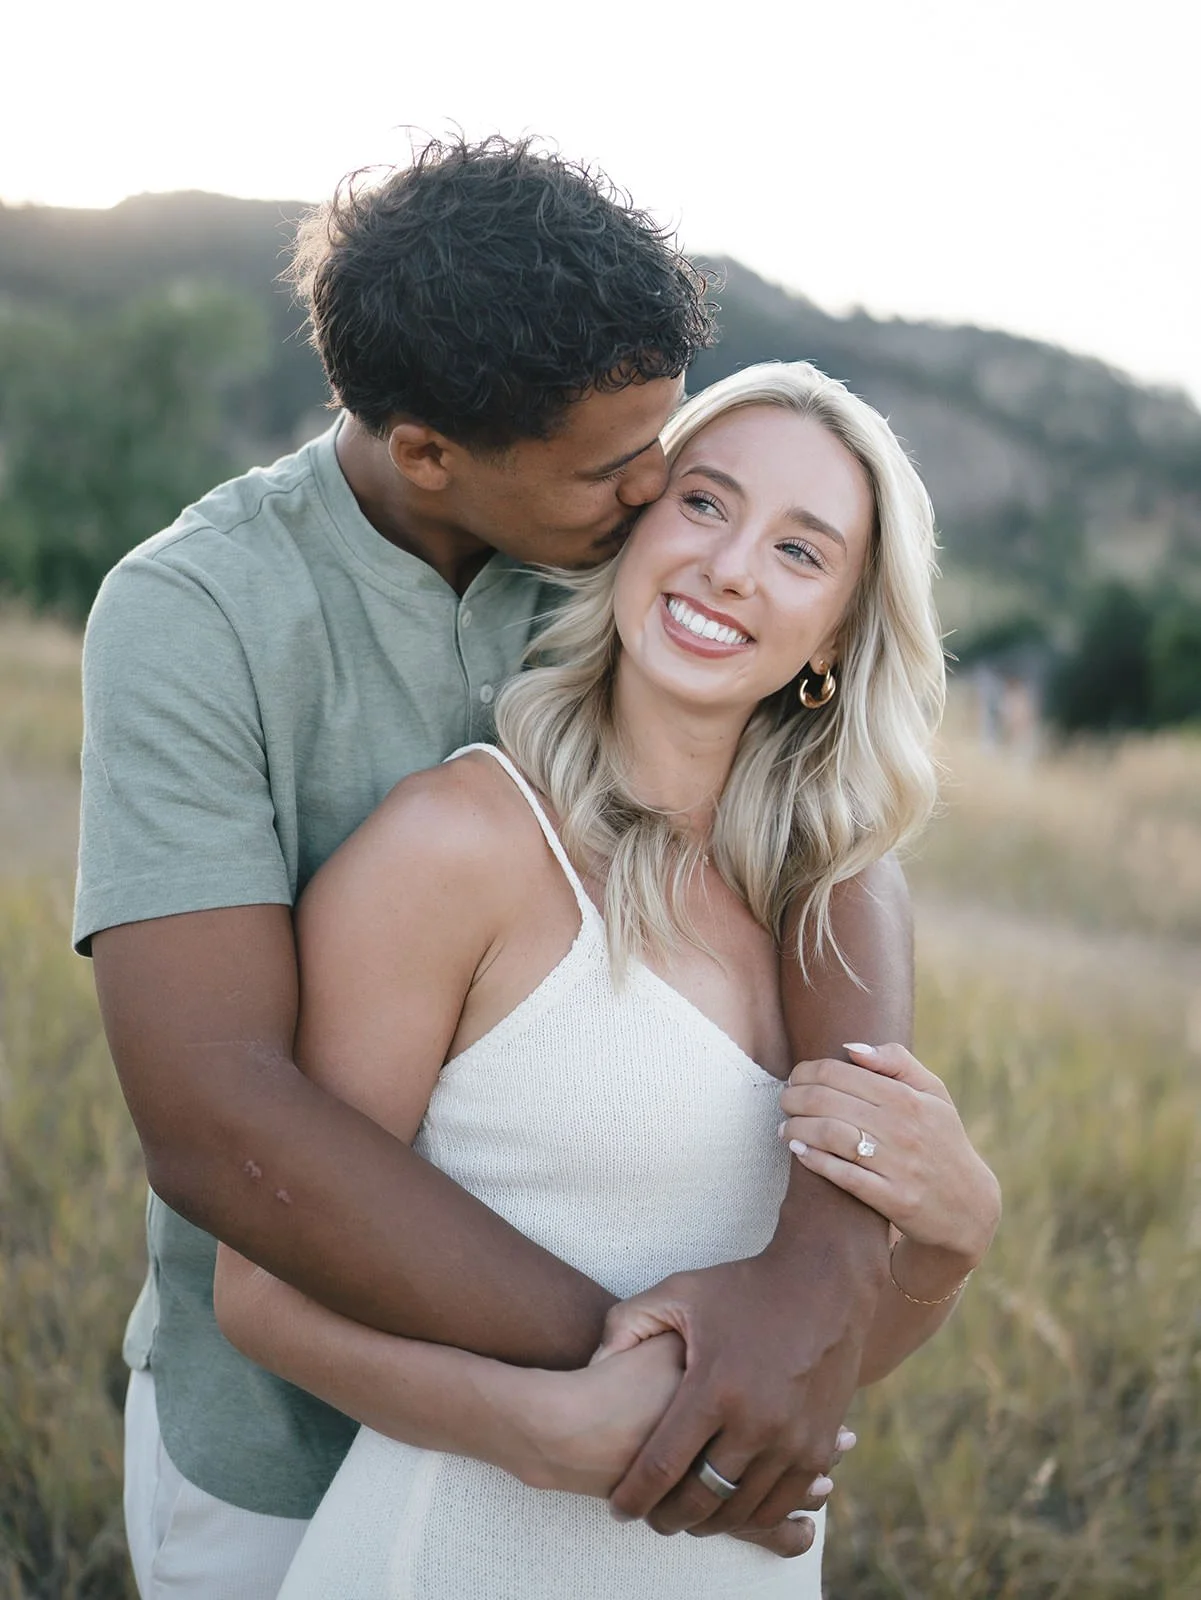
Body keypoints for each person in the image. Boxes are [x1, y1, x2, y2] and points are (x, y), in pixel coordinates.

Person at [78, 138, 918, 1598]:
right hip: (282, 1432)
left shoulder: (622, 550)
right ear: (430, 456)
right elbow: (218, 1121)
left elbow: (811, 805)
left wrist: (827, 1253)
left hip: (611, 1477)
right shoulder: (196, 615)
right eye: (615, 466)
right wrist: (673, 1363)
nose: (659, 487)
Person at [212, 360, 1001, 1598]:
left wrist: (951, 1240)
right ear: (634, 525)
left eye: (799, 551)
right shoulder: (457, 844)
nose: (730, 567)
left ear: (840, 633)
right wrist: (523, 1427)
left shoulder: (837, 904)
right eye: (705, 503)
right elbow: (257, 1292)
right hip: (455, 1554)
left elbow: (820, 1360)